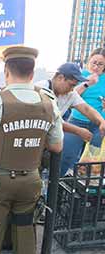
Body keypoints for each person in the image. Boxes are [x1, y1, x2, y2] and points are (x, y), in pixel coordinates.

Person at [0, 46, 63, 254]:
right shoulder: (49, 103)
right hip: (31, 182)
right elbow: (56, 146)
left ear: (6, 71)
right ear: (32, 74)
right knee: (25, 233)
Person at [61, 48, 105, 176]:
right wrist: (87, 83)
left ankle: (86, 191)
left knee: (92, 163)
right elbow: (70, 96)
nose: (96, 67)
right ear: (88, 62)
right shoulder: (81, 76)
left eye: (100, 64)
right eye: (94, 62)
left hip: (99, 125)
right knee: (66, 155)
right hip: (77, 121)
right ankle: (57, 187)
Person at [36, 63, 105, 144]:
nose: (72, 89)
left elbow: (86, 109)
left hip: (50, 138)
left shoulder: (70, 93)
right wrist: (77, 130)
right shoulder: (41, 89)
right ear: (60, 77)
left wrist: (101, 121)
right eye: (71, 85)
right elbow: (53, 120)